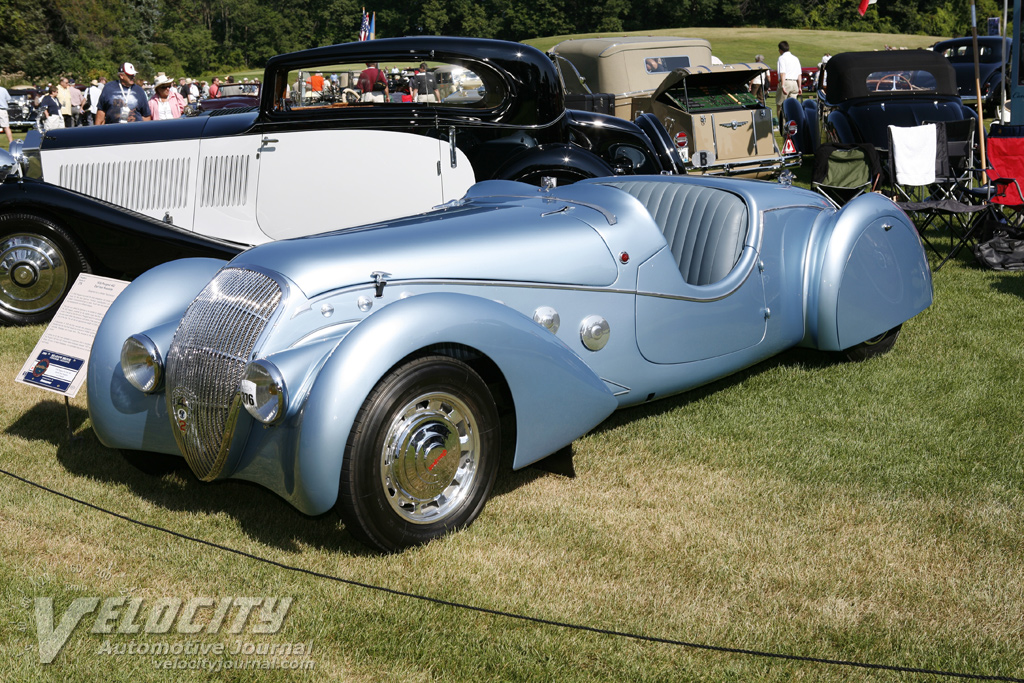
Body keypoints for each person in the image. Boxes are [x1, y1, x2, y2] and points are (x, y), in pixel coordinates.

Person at [775, 41, 802, 120]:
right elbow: (799, 74)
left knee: (780, 106)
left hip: (786, 82)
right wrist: (800, 87)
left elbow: (782, 72)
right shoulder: (795, 58)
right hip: (795, 83)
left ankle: (783, 126)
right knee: (792, 107)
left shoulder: (781, 58)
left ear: (780, 50)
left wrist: (782, 85)